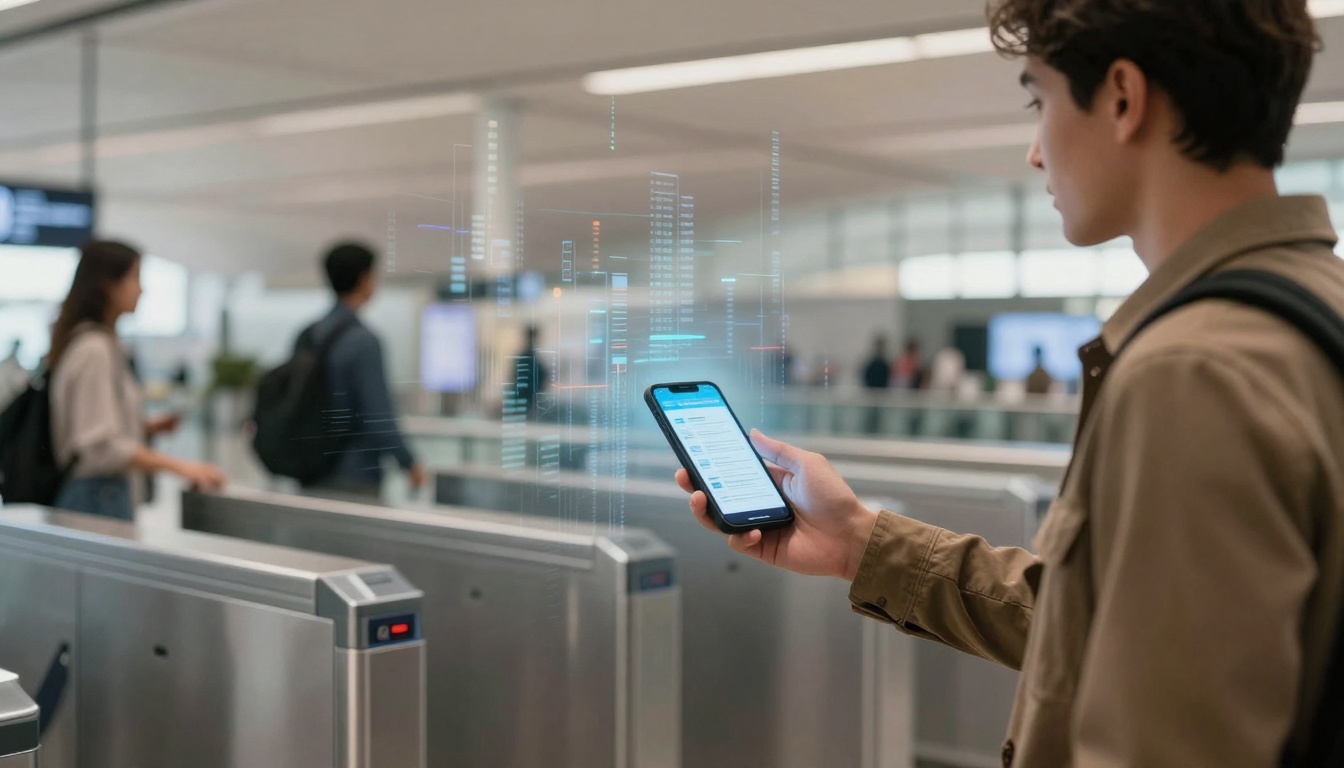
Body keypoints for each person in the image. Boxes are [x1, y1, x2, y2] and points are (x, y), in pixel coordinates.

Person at [674, 3, 1342, 767]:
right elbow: (1101, 626)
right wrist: (859, 540)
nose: (1034, 151)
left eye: (1041, 100)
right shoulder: (1315, 310)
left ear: (1123, 97)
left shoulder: (1193, 372)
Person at [49, 241, 225, 520]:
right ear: (108, 284)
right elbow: (100, 446)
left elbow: (94, 428)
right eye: (134, 278)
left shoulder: (98, 343)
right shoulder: (94, 349)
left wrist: (144, 427)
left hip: (100, 493)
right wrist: (181, 467)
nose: (141, 290)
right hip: (97, 497)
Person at [303, 242, 425, 498]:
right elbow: (377, 414)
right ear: (364, 279)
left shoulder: (308, 334)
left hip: (309, 466)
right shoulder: (363, 341)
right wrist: (409, 462)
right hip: (355, 471)